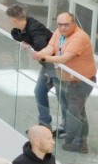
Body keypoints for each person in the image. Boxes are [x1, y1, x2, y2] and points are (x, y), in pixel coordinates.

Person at [34, 12, 96, 154]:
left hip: (80, 82)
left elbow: (64, 58)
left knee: (76, 112)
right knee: (71, 110)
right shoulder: (59, 32)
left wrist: (44, 58)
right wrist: (41, 53)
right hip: (66, 79)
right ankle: (73, 138)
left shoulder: (79, 37)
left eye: (66, 25)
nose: (62, 28)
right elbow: (51, 47)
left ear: (74, 24)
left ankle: (79, 144)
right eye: (60, 25)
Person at [8, 4, 57, 129]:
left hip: (57, 66)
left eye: (10, 19)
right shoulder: (25, 26)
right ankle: (44, 124)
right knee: (40, 91)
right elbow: (14, 34)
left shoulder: (34, 28)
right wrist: (27, 40)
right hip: (48, 65)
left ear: (14, 20)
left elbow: (41, 48)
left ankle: (70, 132)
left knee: (63, 98)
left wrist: (29, 44)